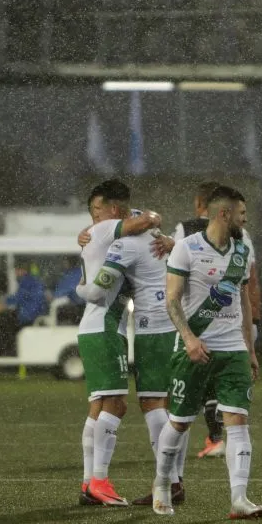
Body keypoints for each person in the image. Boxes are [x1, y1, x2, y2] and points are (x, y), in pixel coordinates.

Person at [152, 185, 262, 519]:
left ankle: (239, 499)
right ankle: (162, 484)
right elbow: (172, 300)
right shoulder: (186, 248)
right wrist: (189, 338)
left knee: (238, 422)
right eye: (242, 214)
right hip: (194, 347)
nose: (245, 220)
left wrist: (250, 348)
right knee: (180, 422)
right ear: (224, 214)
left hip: (233, 350)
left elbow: (243, 300)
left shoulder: (242, 249)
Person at [78, 213, 185, 507]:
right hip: (173, 325)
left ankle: (167, 483)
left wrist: (79, 286)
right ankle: (171, 481)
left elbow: (95, 291)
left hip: (150, 330)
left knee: (148, 404)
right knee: (167, 406)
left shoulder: (125, 245)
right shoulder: (164, 242)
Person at [73, 179, 161, 507]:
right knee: (117, 404)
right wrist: (152, 219)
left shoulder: (101, 234)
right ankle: (99, 480)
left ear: (110, 207)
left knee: (99, 406)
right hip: (105, 328)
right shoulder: (106, 229)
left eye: (96, 210)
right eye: (92, 211)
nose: (93, 217)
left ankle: (89, 483)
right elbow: (143, 221)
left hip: (96, 328)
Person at [0, 263, 49, 355]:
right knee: (8, 316)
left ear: (22, 270)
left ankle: (8, 350)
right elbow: (22, 297)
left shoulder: (26, 281)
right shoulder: (32, 280)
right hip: (36, 311)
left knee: (4, 320)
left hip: (29, 315)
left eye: (16, 270)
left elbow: (19, 297)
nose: (15, 273)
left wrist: (3, 303)